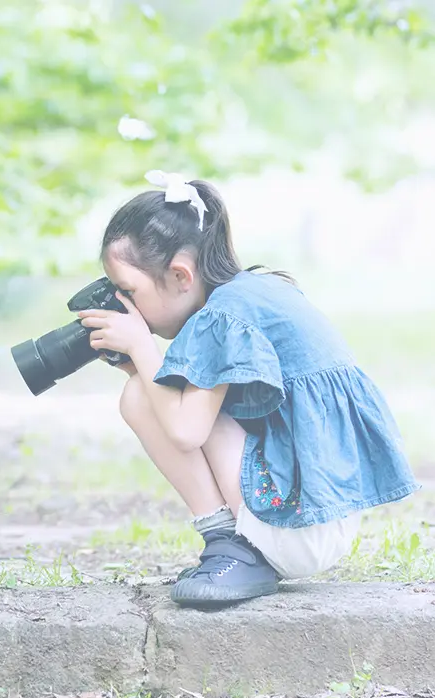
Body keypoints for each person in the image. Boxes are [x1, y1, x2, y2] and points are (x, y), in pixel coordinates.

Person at [78, 169, 420, 609]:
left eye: (129, 291)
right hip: (318, 514)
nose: (126, 307)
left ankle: (228, 543)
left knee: (141, 397)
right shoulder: (251, 293)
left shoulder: (221, 318)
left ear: (181, 276)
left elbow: (185, 431)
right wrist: (139, 365)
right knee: (147, 391)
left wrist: (143, 349)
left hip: (293, 523)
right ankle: (238, 548)